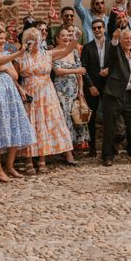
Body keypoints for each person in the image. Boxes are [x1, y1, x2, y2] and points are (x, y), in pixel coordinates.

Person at [17, 28, 78, 173]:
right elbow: (14, 76)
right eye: (30, 39)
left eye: (36, 39)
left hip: (46, 93)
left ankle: (42, 159)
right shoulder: (20, 56)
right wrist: (20, 89)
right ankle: (29, 160)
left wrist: (75, 37)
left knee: (44, 123)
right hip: (29, 92)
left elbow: (67, 50)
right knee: (31, 124)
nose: (34, 42)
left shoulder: (47, 54)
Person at [0, 28, 36, 181]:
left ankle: (9, 166)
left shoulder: (6, 55)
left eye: (5, 38)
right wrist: (18, 53)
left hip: (10, 93)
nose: (4, 41)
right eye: (1, 38)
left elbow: (15, 75)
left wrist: (5, 68)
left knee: (13, 126)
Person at [101, 29, 131, 166]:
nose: (129, 41)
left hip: (129, 97)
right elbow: (112, 50)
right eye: (126, 38)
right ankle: (108, 156)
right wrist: (114, 40)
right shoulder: (116, 53)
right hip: (113, 96)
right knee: (109, 128)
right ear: (121, 40)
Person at [53, 28, 90, 152]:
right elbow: (58, 71)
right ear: (57, 38)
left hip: (74, 88)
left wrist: (81, 90)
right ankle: (66, 151)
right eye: (62, 35)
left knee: (76, 116)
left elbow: (80, 73)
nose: (66, 37)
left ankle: (74, 147)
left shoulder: (74, 52)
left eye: (68, 35)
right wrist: (76, 70)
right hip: (61, 90)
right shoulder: (53, 52)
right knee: (65, 117)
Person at [80, 19, 110, 156]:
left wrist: (109, 69)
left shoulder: (112, 46)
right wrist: (90, 85)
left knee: (110, 116)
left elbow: (117, 63)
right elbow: (83, 68)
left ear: (104, 28)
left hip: (109, 85)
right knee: (92, 118)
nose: (97, 30)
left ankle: (110, 147)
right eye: (94, 28)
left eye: (99, 27)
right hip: (92, 85)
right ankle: (92, 148)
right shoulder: (87, 47)